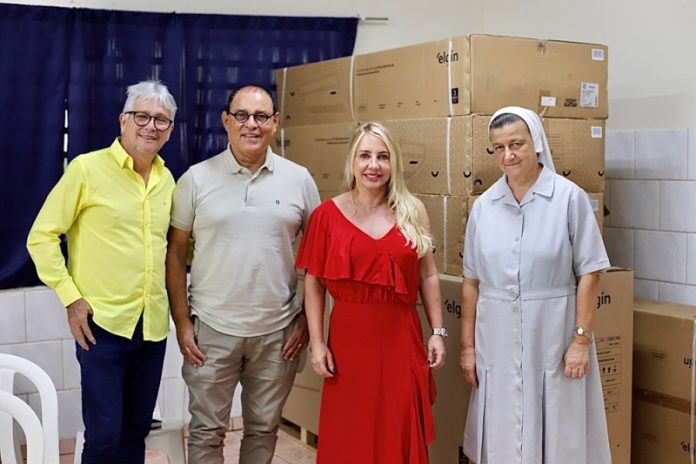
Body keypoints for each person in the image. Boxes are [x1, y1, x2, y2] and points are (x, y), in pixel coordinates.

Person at [166, 84, 320, 464]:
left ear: (275, 122)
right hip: (211, 331)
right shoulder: (195, 179)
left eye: (261, 116)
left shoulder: (299, 179)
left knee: (263, 429)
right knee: (206, 432)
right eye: (242, 115)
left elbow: (319, 258)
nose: (251, 124)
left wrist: (306, 319)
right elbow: (175, 254)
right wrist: (182, 322)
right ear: (226, 120)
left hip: (278, 333)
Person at [26, 80, 177, 463]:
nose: (151, 126)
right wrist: (71, 298)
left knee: (136, 430)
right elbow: (41, 237)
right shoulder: (86, 169)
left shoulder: (167, 180)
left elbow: (174, 248)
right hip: (102, 326)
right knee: (104, 436)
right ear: (123, 120)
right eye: (142, 116)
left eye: (161, 120)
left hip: (152, 326)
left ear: (170, 130)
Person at [459, 106, 611, 463]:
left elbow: (590, 272)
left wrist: (580, 340)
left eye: (517, 144)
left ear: (537, 142)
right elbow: (471, 283)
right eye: (498, 148)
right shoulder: (484, 207)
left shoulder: (568, 198)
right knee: (502, 433)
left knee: (558, 432)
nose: (508, 155)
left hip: (553, 337)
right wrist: (467, 348)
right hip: (496, 339)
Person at [296, 122, 446, 463]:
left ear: (394, 163)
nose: (373, 165)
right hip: (347, 345)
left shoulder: (412, 211)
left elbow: (428, 275)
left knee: (398, 425)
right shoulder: (326, 216)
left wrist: (438, 332)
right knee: (351, 431)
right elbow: (314, 282)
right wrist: (317, 342)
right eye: (365, 156)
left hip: (400, 341)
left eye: (383, 156)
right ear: (352, 161)